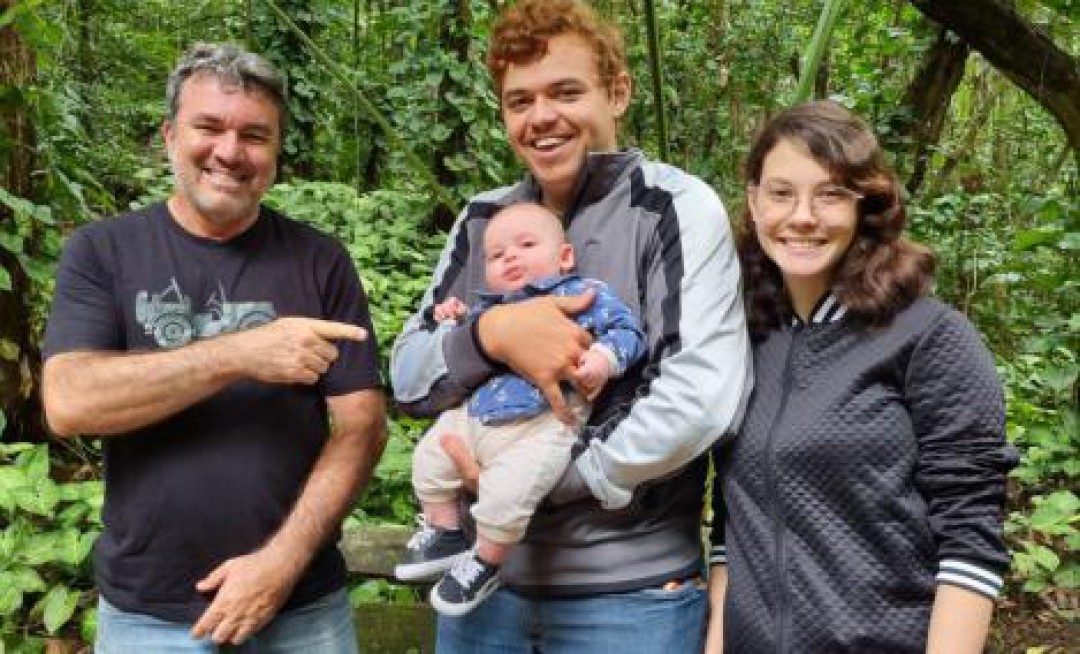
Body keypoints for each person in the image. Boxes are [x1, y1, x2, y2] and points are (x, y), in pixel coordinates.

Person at [390, 0, 752, 650]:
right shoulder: (485, 221)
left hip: (629, 593)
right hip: (481, 595)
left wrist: (547, 478)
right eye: (519, 101)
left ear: (617, 93)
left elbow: (702, 397)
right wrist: (489, 337)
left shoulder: (675, 209)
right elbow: (410, 375)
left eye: (565, 92)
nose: (541, 117)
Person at [41, 43, 387, 652]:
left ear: (277, 153)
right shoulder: (102, 251)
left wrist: (279, 565)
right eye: (209, 127)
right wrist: (240, 353)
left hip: (302, 607)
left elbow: (362, 428)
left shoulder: (320, 259)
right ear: (171, 135)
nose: (230, 152)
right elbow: (70, 402)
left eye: (255, 135)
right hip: (148, 614)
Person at [705, 100, 1016, 653]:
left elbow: (971, 543)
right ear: (753, 201)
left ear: (865, 206)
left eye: (830, 194)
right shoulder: (742, 341)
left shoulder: (929, 337)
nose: (802, 216)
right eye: (781, 193)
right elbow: (735, 528)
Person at [396, 202, 646, 617]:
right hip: (475, 416)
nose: (510, 256)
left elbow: (627, 331)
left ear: (565, 256)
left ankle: (486, 561)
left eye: (526, 245)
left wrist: (602, 358)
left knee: (506, 493)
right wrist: (452, 320)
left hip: (545, 421)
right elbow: (458, 351)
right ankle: (445, 532)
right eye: (496, 255)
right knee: (429, 457)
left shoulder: (583, 294)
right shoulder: (492, 307)